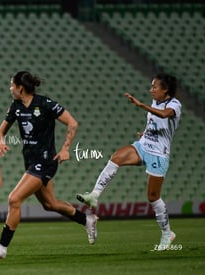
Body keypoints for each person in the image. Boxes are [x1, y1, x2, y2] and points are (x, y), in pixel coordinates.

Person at [0, 71, 98, 259]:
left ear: (21, 88)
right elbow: (1, 131)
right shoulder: (16, 106)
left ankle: (2, 247)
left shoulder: (45, 104)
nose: (10, 88)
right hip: (30, 162)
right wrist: (0, 142)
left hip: (45, 162)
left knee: (14, 199)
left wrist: (65, 149)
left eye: (12, 85)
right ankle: (86, 219)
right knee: (50, 204)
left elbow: (72, 123)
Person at [76, 73, 181, 251]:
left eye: (155, 87)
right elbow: (155, 123)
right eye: (151, 85)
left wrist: (141, 105)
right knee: (116, 157)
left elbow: (164, 115)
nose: (151, 89)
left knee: (153, 197)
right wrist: (146, 132)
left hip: (158, 154)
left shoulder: (174, 105)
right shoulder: (155, 102)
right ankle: (94, 195)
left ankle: (167, 233)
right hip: (143, 146)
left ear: (166, 90)